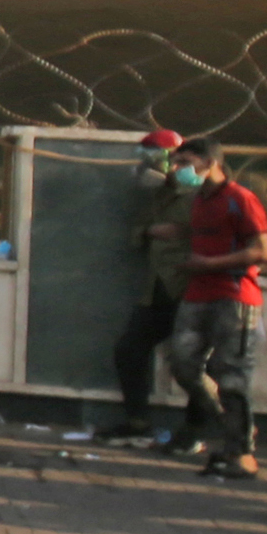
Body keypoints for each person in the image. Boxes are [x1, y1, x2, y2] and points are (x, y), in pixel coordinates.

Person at [159, 134, 265, 480]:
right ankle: (235, 428)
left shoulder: (240, 199)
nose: (178, 170)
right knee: (183, 364)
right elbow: (189, 230)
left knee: (231, 376)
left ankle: (242, 453)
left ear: (211, 163)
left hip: (234, 298)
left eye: (185, 163)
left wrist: (209, 263)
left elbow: (261, 251)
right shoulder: (196, 201)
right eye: (176, 164)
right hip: (197, 294)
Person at [103, 130, 197, 448]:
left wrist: (182, 232)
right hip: (158, 286)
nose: (152, 167)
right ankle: (137, 422)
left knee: (193, 367)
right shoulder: (157, 196)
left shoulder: (200, 195)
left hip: (191, 288)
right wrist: (152, 231)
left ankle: (198, 432)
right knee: (129, 350)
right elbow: (138, 233)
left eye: (158, 160)